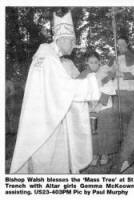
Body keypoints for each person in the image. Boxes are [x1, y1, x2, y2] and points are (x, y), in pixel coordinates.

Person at [10, 11, 100, 174]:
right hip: (46, 119)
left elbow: (57, 87)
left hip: (43, 115)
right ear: (63, 39)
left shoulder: (45, 55)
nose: (73, 46)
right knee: (48, 157)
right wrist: (91, 82)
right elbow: (63, 88)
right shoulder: (49, 58)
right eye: (72, 42)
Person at [112, 36, 134, 171]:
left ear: (127, 44)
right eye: (117, 45)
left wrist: (123, 74)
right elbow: (109, 75)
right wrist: (112, 73)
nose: (120, 47)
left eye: (122, 44)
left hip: (130, 92)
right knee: (118, 121)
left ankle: (133, 152)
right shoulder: (115, 59)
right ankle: (122, 151)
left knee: (131, 122)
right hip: (117, 92)